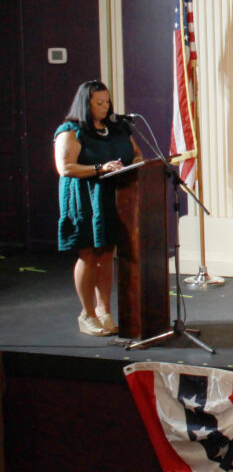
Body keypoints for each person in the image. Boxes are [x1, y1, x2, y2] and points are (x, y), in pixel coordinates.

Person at [53, 80, 140, 337]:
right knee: (89, 254)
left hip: (113, 196)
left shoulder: (117, 128)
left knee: (106, 254)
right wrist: (99, 168)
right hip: (84, 198)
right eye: (99, 103)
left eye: (107, 102)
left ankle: (105, 311)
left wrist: (134, 163)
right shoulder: (71, 131)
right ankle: (87, 314)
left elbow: (136, 154)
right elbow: (65, 168)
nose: (105, 107)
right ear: (85, 104)